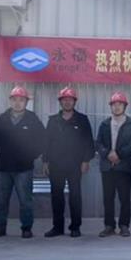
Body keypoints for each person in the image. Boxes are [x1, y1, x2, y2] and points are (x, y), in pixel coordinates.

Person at [0, 86, 45, 240]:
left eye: (21, 100)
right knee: (0, 201)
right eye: (14, 99)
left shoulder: (33, 120)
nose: (18, 103)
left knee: (26, 201)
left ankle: (26, 228)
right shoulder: (1, 120)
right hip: (3, 168)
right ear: (10, 101)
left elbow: (42, 141)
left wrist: (30, 156)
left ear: (26, 102)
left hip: (24, 168)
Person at [42, 86, 94, 238]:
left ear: (74, 102)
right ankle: (57, 227)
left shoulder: (82, 120)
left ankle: (75, 227)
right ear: (60, 102)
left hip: (75, 165)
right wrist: (45, 161)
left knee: (75, 196)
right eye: (64, 99)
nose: (67, 102)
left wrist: (86, 160)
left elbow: (88, 142)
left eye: (70, 99)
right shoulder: (53, 121)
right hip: (56, 165)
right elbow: (46, 142)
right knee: (56, 196)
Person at [95, 92, 131, 238]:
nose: (117, 107)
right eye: (114, 104)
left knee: (124, 198)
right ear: (111, 106)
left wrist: (118, 154)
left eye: (120, 104)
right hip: (107, 167)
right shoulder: (104, 124)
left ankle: (124, 225)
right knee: (108, 198)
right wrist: (107, 154)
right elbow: (98, 143)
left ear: (125, 106)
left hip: (123, 167)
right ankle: (109, 226)